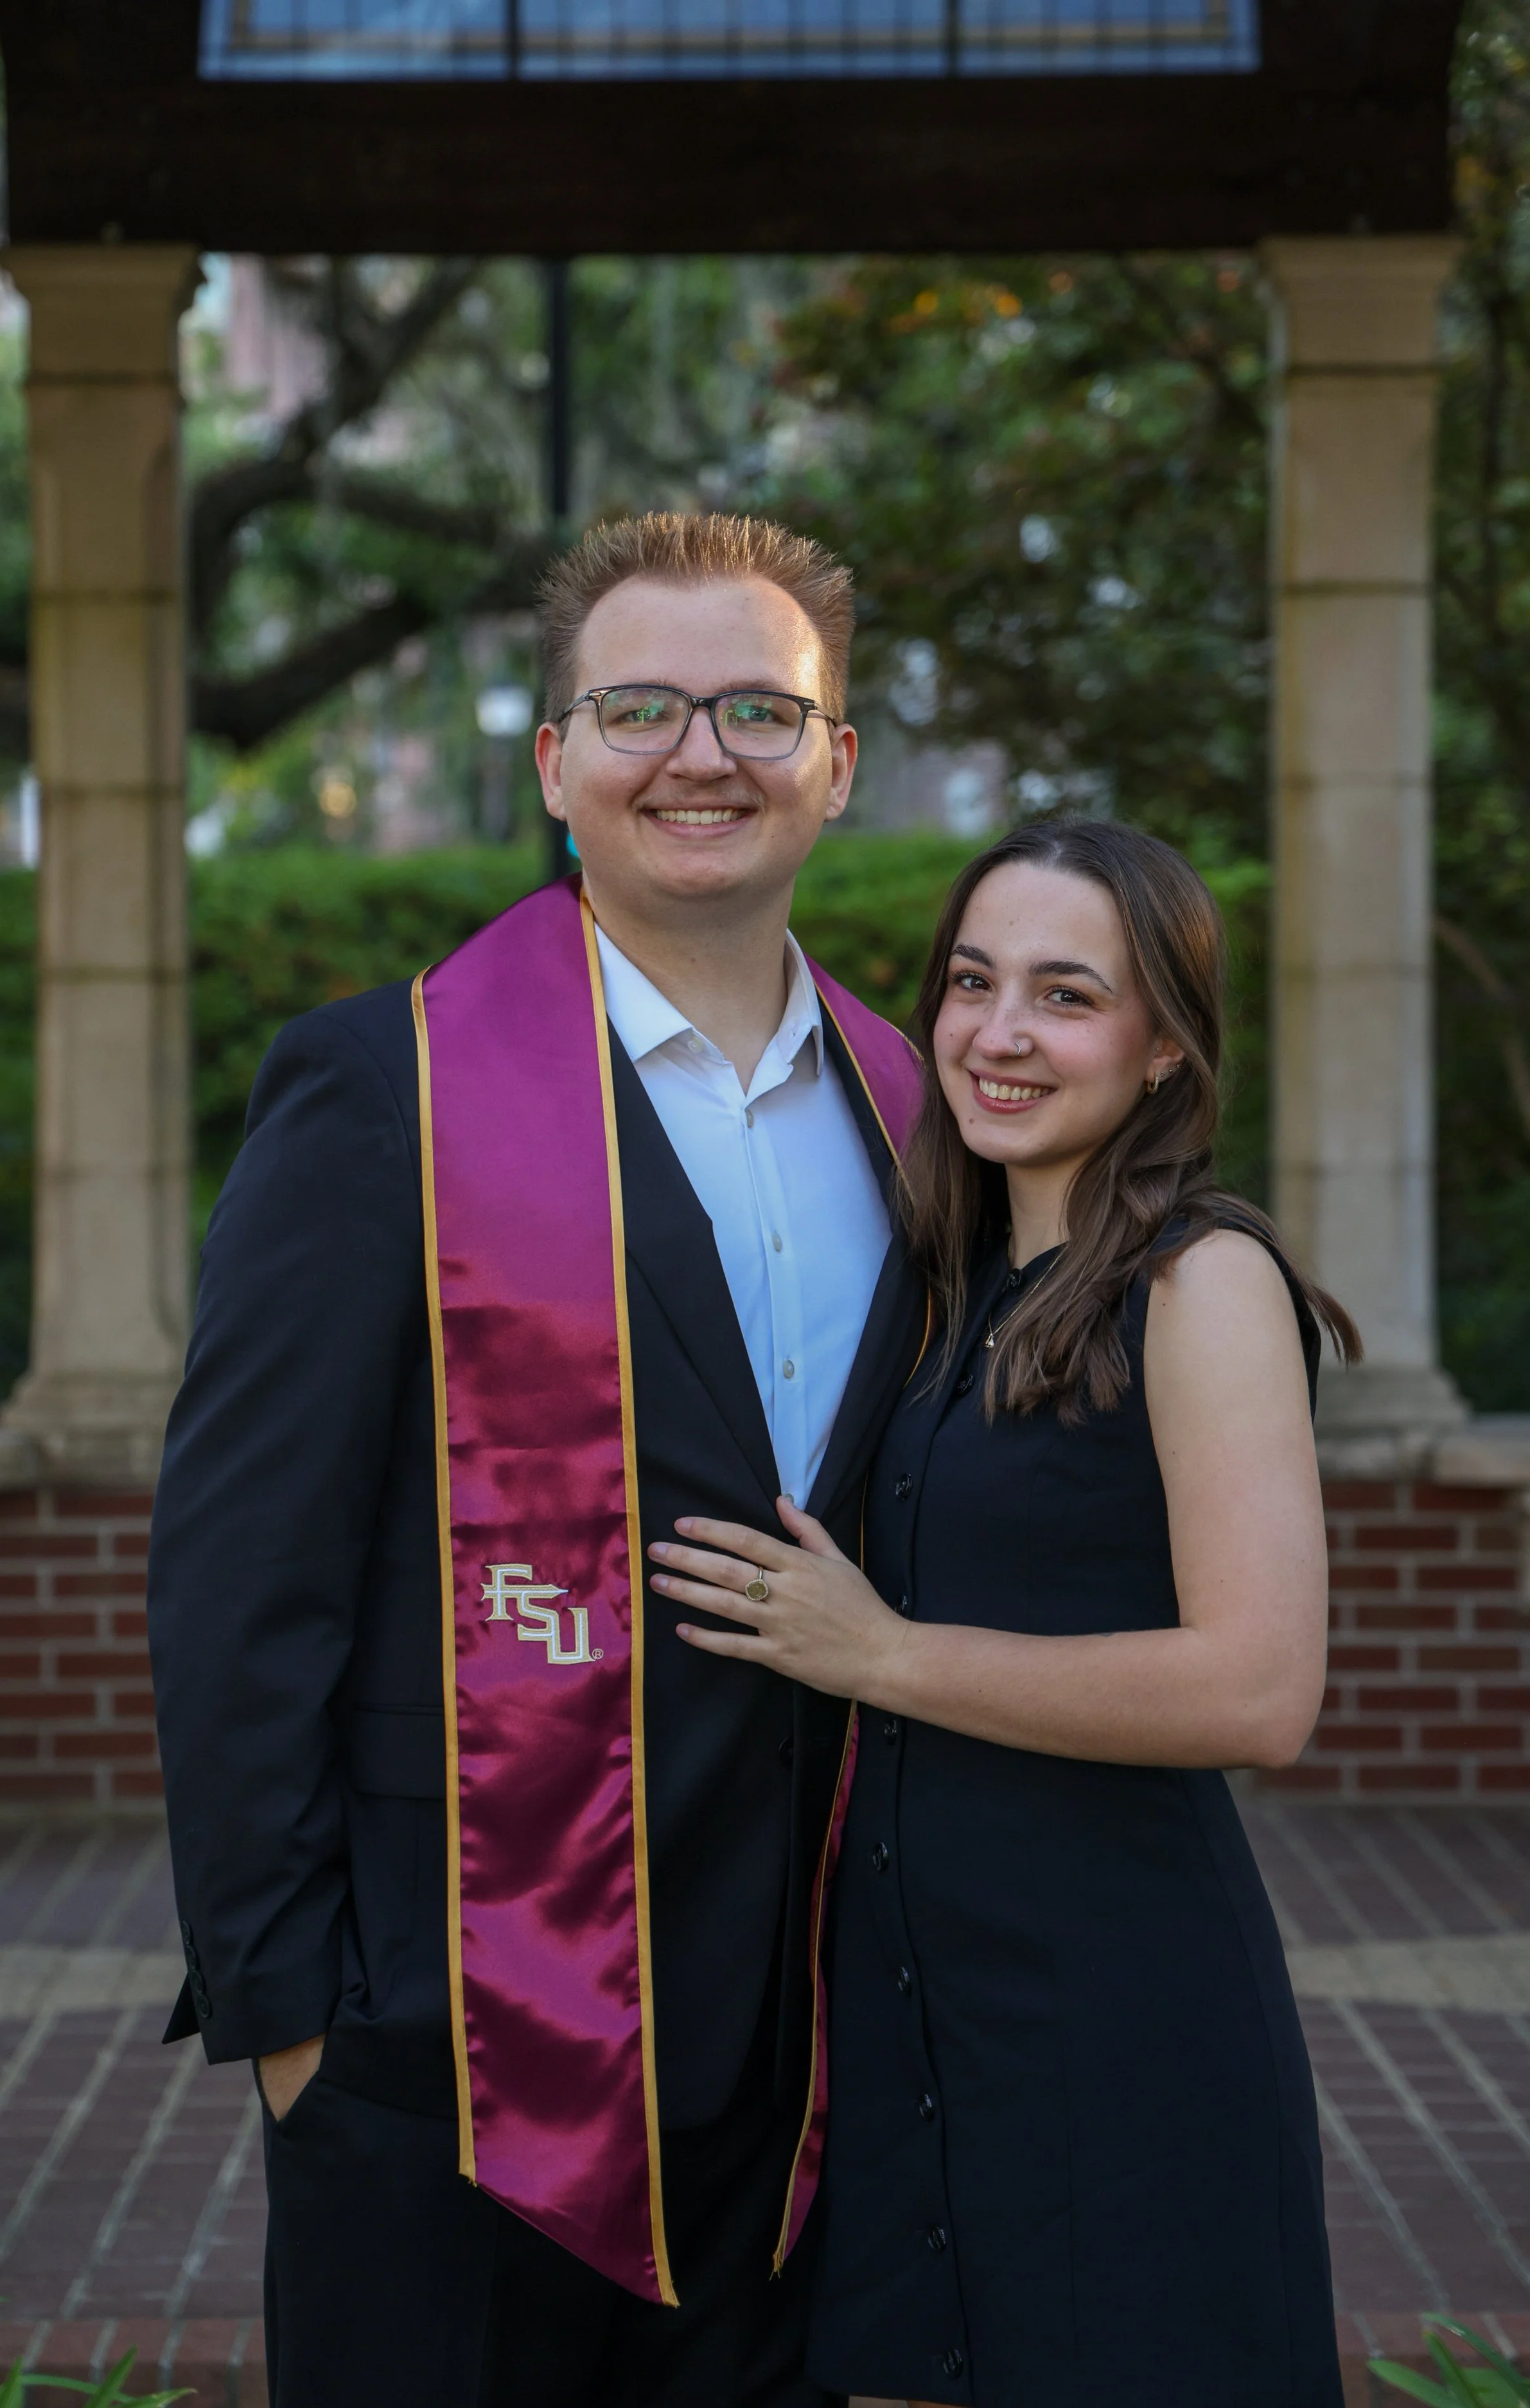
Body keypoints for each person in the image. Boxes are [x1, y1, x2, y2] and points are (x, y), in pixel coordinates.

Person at [146, 513, 928, 2408]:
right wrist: (298, 2026)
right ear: (555, 760)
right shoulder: (386, 1087)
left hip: (812, 2060)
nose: (700, 754)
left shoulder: (918, 1114)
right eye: (640, 707)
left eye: (758, 711)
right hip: (455, 2040)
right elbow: (243, 1571)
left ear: (835, 763)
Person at [649, 818, 1355, 2408]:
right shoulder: (939, 1286)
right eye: (971, 983)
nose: (998, 1032)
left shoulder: (1197, 1280)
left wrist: (881, 1653)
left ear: (1164, 1045)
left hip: (1120, 2019)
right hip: (911, 2016)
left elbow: (1258, 1688)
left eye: (1065, 994)